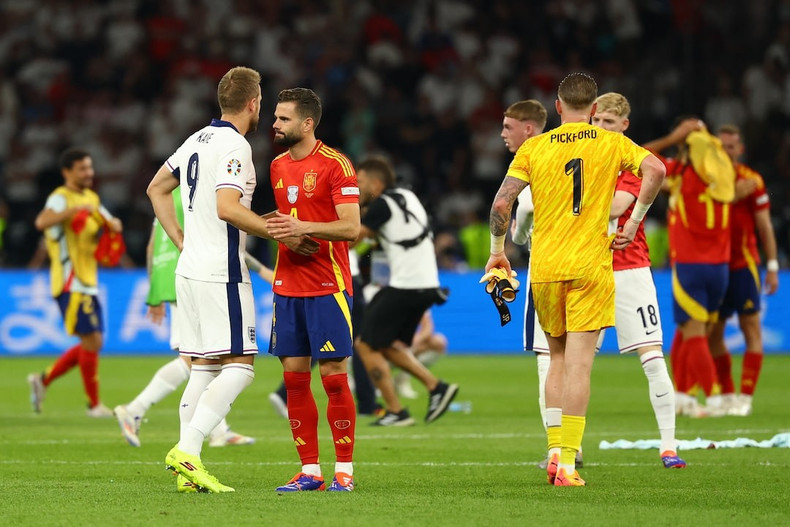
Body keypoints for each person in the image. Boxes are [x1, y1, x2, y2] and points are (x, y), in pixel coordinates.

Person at [486, 72, 665, 487]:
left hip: (546, 270)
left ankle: (552, 452)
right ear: (596, 110)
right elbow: (655, 170)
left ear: (559, 107)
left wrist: (497, 253)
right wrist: (633, 221)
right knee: (581, 365)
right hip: (590, 266)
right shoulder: (612, 142)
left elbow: (501, 201)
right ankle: (567, 462)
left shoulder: (534, 147)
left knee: (556, 360)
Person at [149, 66, 300, 494]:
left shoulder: (197, 139)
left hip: (190, 269)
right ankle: (189, 451)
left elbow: (156, 188)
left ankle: (185, 468)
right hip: (221, 272)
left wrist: (180, 237)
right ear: (254, 103)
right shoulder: (235, 146)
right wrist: (274, 230)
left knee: (203, 367)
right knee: (241, 367)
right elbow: (228, 208)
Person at [113, 186, 263, 448]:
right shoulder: (202, 194)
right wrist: (263, 270)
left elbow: (151, 246)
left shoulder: (167, 194)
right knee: (196, 360)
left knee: (205, 357)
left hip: (169, 278)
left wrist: (154, 289)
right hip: (195, 276)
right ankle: (135, 409)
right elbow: (220, 240)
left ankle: (218, 430)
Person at [265, 87, 360, 492]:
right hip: (287, 286)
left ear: (307, 123)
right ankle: (310, 471)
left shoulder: (336, 165)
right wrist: (283, 233)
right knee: (294, 381)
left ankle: (344, 471)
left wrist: (303, 228)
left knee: (335, 379)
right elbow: (288, 223)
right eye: (274, 117)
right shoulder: (276, 166)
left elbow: (351, 228)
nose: (274, 124)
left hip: (328, 285)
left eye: (283, 118)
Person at [591, 92, 685, 468]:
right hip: (587, 270)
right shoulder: (580, 158)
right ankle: (568, 449)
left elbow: (617, 207)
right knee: (574, 363)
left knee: (651, 357)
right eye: (596, 122)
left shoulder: (632, 162)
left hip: (630, 269)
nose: (601, 129)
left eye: (609, 123)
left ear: (624, 126)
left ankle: (669, 446)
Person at [354, 155, 459, 427]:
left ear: (376, 183)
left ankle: (397, 410)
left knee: (365, 343)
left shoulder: (381, 205)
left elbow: (352, 240)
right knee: (384, 344)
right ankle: (435, 387)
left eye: (360, 182)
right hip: (426, 283)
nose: (356, 188)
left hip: (407, 285)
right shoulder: (407, 196)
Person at [644, 116, 735, 417]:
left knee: (693, 332)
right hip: (720, 265)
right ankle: (683, 394)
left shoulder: (682, 175)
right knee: (690, 330)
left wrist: (673, 137)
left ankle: (715, 396)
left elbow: (638, 156)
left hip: (689, 264)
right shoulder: (725, 177)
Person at [27, 148, 123, 418]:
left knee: (93, 342)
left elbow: (108, 220)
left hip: (88, 279)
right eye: (82, 169)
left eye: (90, 168)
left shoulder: (91, 197)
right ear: (67, 172)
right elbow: (41, 221)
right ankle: (93, 406)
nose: (88, 173)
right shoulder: (61, 197)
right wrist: (71, 211)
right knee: (92, 340)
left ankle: (43, 380)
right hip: (70, 281)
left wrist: (114, 225)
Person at [706, 124, 778, 417]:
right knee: (713, 334)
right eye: (720, 146)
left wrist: (772, 266)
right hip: (713, 263)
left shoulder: (752, 180)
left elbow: (764, 226)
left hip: (742, 264)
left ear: (740, 149)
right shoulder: (706, 179)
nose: (726, 151)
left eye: (731, 146)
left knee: (750, 328)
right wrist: (730, 195)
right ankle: (726, 395)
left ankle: (745, 398)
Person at [394, 310, 448, 399]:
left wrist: (414, 341)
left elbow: (427, 327)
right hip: (384, 345)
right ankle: (376, 383)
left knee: (438, 342)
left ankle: (402, 380)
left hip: (404, 345)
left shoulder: (419, 299)